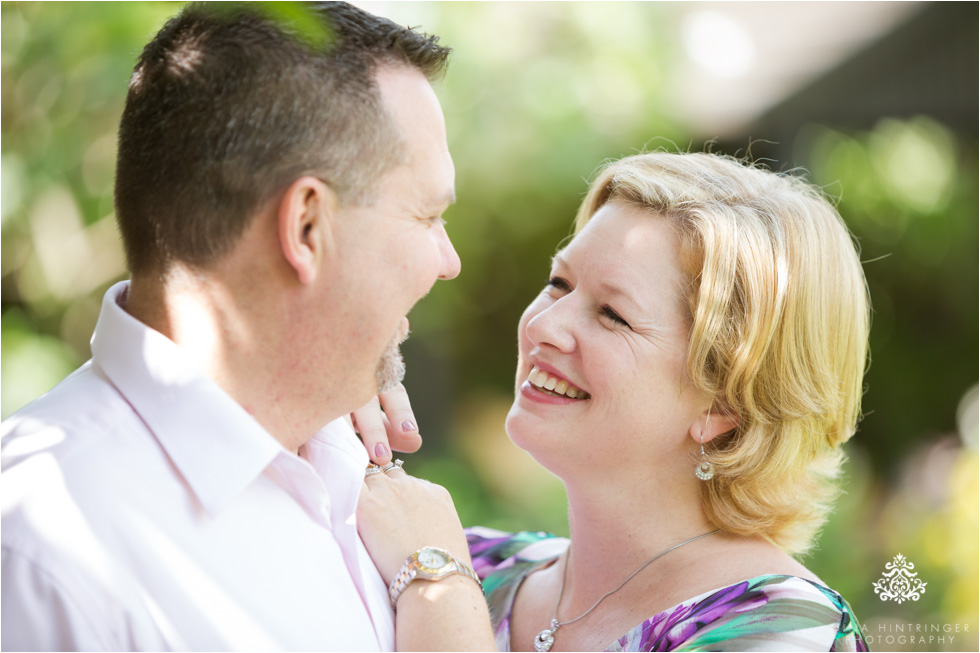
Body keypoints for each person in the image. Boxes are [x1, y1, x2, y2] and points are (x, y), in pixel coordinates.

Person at [1, 2, 494, 650]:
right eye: (429, 217)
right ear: (306, 228)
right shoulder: (45, 555)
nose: (449, 262)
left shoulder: (343, 454)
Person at [456, 151, 871, 651]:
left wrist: (431, 592)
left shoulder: (777, 627)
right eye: (557, 283)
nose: (543, 326)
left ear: (723, 406)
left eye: (612, 314)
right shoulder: (464, 560)